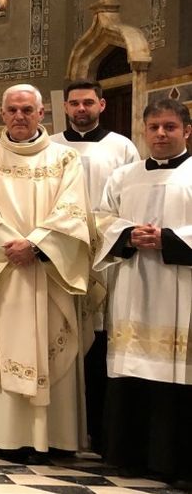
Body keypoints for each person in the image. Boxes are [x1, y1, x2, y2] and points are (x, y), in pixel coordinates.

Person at [0, 84, 90, 461]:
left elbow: (74, 209)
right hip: (1, 271)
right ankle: (0, 433)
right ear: (2, 114)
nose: (19, 116)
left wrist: (36, 245)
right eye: (12, 110)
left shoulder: (65, 159)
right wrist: (12, 246)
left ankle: (50, 438)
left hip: (46, 270)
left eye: (27, 109)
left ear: (42, 113)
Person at [94, 99, 191, 485]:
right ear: (144, 131)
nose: (161, 134)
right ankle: (129, 455)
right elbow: (101, 219)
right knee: (131, 369)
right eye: (153, 127)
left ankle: (179, 464)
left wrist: (167, 239)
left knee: (179, 377)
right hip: (133, 286)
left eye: (169, 127)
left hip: (182, 291)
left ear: (186, 130)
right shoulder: (123, 176)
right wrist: (127, 235)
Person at [49, 78, 139, 451]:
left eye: (88, 102)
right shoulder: (51, 146)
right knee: (61, 330)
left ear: (102, 105)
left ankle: (102, 427)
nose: (81, 109)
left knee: (101, 336)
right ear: (65, 107)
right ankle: (61, 424)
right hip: (59, 255)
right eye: (74, 103)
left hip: (106, 258)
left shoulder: (121, 147)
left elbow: (128, 201)